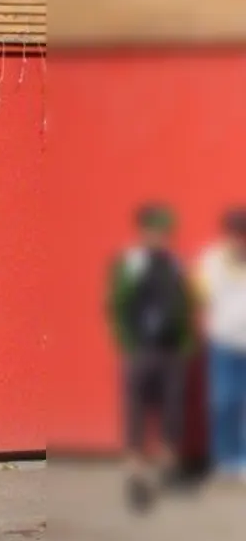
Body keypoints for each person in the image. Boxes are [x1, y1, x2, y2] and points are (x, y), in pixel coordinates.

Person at [107, 203, 193, 509]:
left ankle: (165, 471)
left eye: (164, 231)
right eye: (154, 230)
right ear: (144, 231)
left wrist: (184, 344)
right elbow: (117, 305)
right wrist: (128, 345)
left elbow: (185, 302)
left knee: (171, 410)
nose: (160, 236)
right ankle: (136, 475)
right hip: (141, 350)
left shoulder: (174, 263)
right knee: (137, 411)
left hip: (171, 351)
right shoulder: (131, 262)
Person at [198, 206, 246, 481]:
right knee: (224, 400)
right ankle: (223, 457)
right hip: (224, 344)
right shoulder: (213, 260)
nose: (240, 240)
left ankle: (241, 459)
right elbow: (203, 294)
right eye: (235, 233)